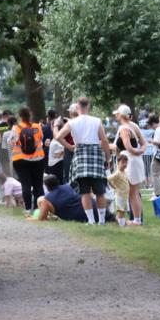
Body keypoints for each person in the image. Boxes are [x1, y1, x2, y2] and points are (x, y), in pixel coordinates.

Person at [55, 96, 113, 225]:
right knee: (100, 191)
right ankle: (102, 220)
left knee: (84, 192)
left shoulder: (72, 122)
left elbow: (58, 136)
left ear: (77, 107)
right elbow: (104, 141)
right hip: (96, 155)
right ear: (89, 106)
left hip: (80, 155)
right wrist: (108, 157)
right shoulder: (97, 121)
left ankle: (91, 221)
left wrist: (70, 147)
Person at [113, 104, 148, 225]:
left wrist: (136, 151)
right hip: (135, 160)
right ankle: (137, 219)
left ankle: (124, 219)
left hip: (128, 161)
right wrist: (140, 151)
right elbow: (143, 143)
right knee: (134, 192)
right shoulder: (134, 126)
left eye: (117, 114)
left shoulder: (124, 129)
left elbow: (128, 147)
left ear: (121, 115)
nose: (116, 115)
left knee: (125, 191)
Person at [11, 107, 46, 215]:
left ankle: (27, 209)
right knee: (38, 185)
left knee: (25, 184)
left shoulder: (16, 128)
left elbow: (12, 142)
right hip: (38, 159)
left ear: (20, 116)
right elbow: (41, 139)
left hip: (20, 160)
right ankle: (38, 209)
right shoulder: (37, 127)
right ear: (30, 115)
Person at [108, 152, 133, 227]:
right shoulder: (117, 173)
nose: (125, 164)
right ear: (118, 163)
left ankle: (118, 221)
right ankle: (121, 224)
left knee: (123, 210)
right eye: (122, 162)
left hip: (125, 195)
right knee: (120, 210)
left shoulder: (124, 172)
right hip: (119, 195)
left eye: (126, 163)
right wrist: (113, 187)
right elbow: (108, 179)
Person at [46, 117, 67, 184]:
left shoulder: (58, 137)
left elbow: (61, 152)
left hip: (56, 164)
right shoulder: (59, 137)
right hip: (56, 164)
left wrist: (60, 153)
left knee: (57, 184)